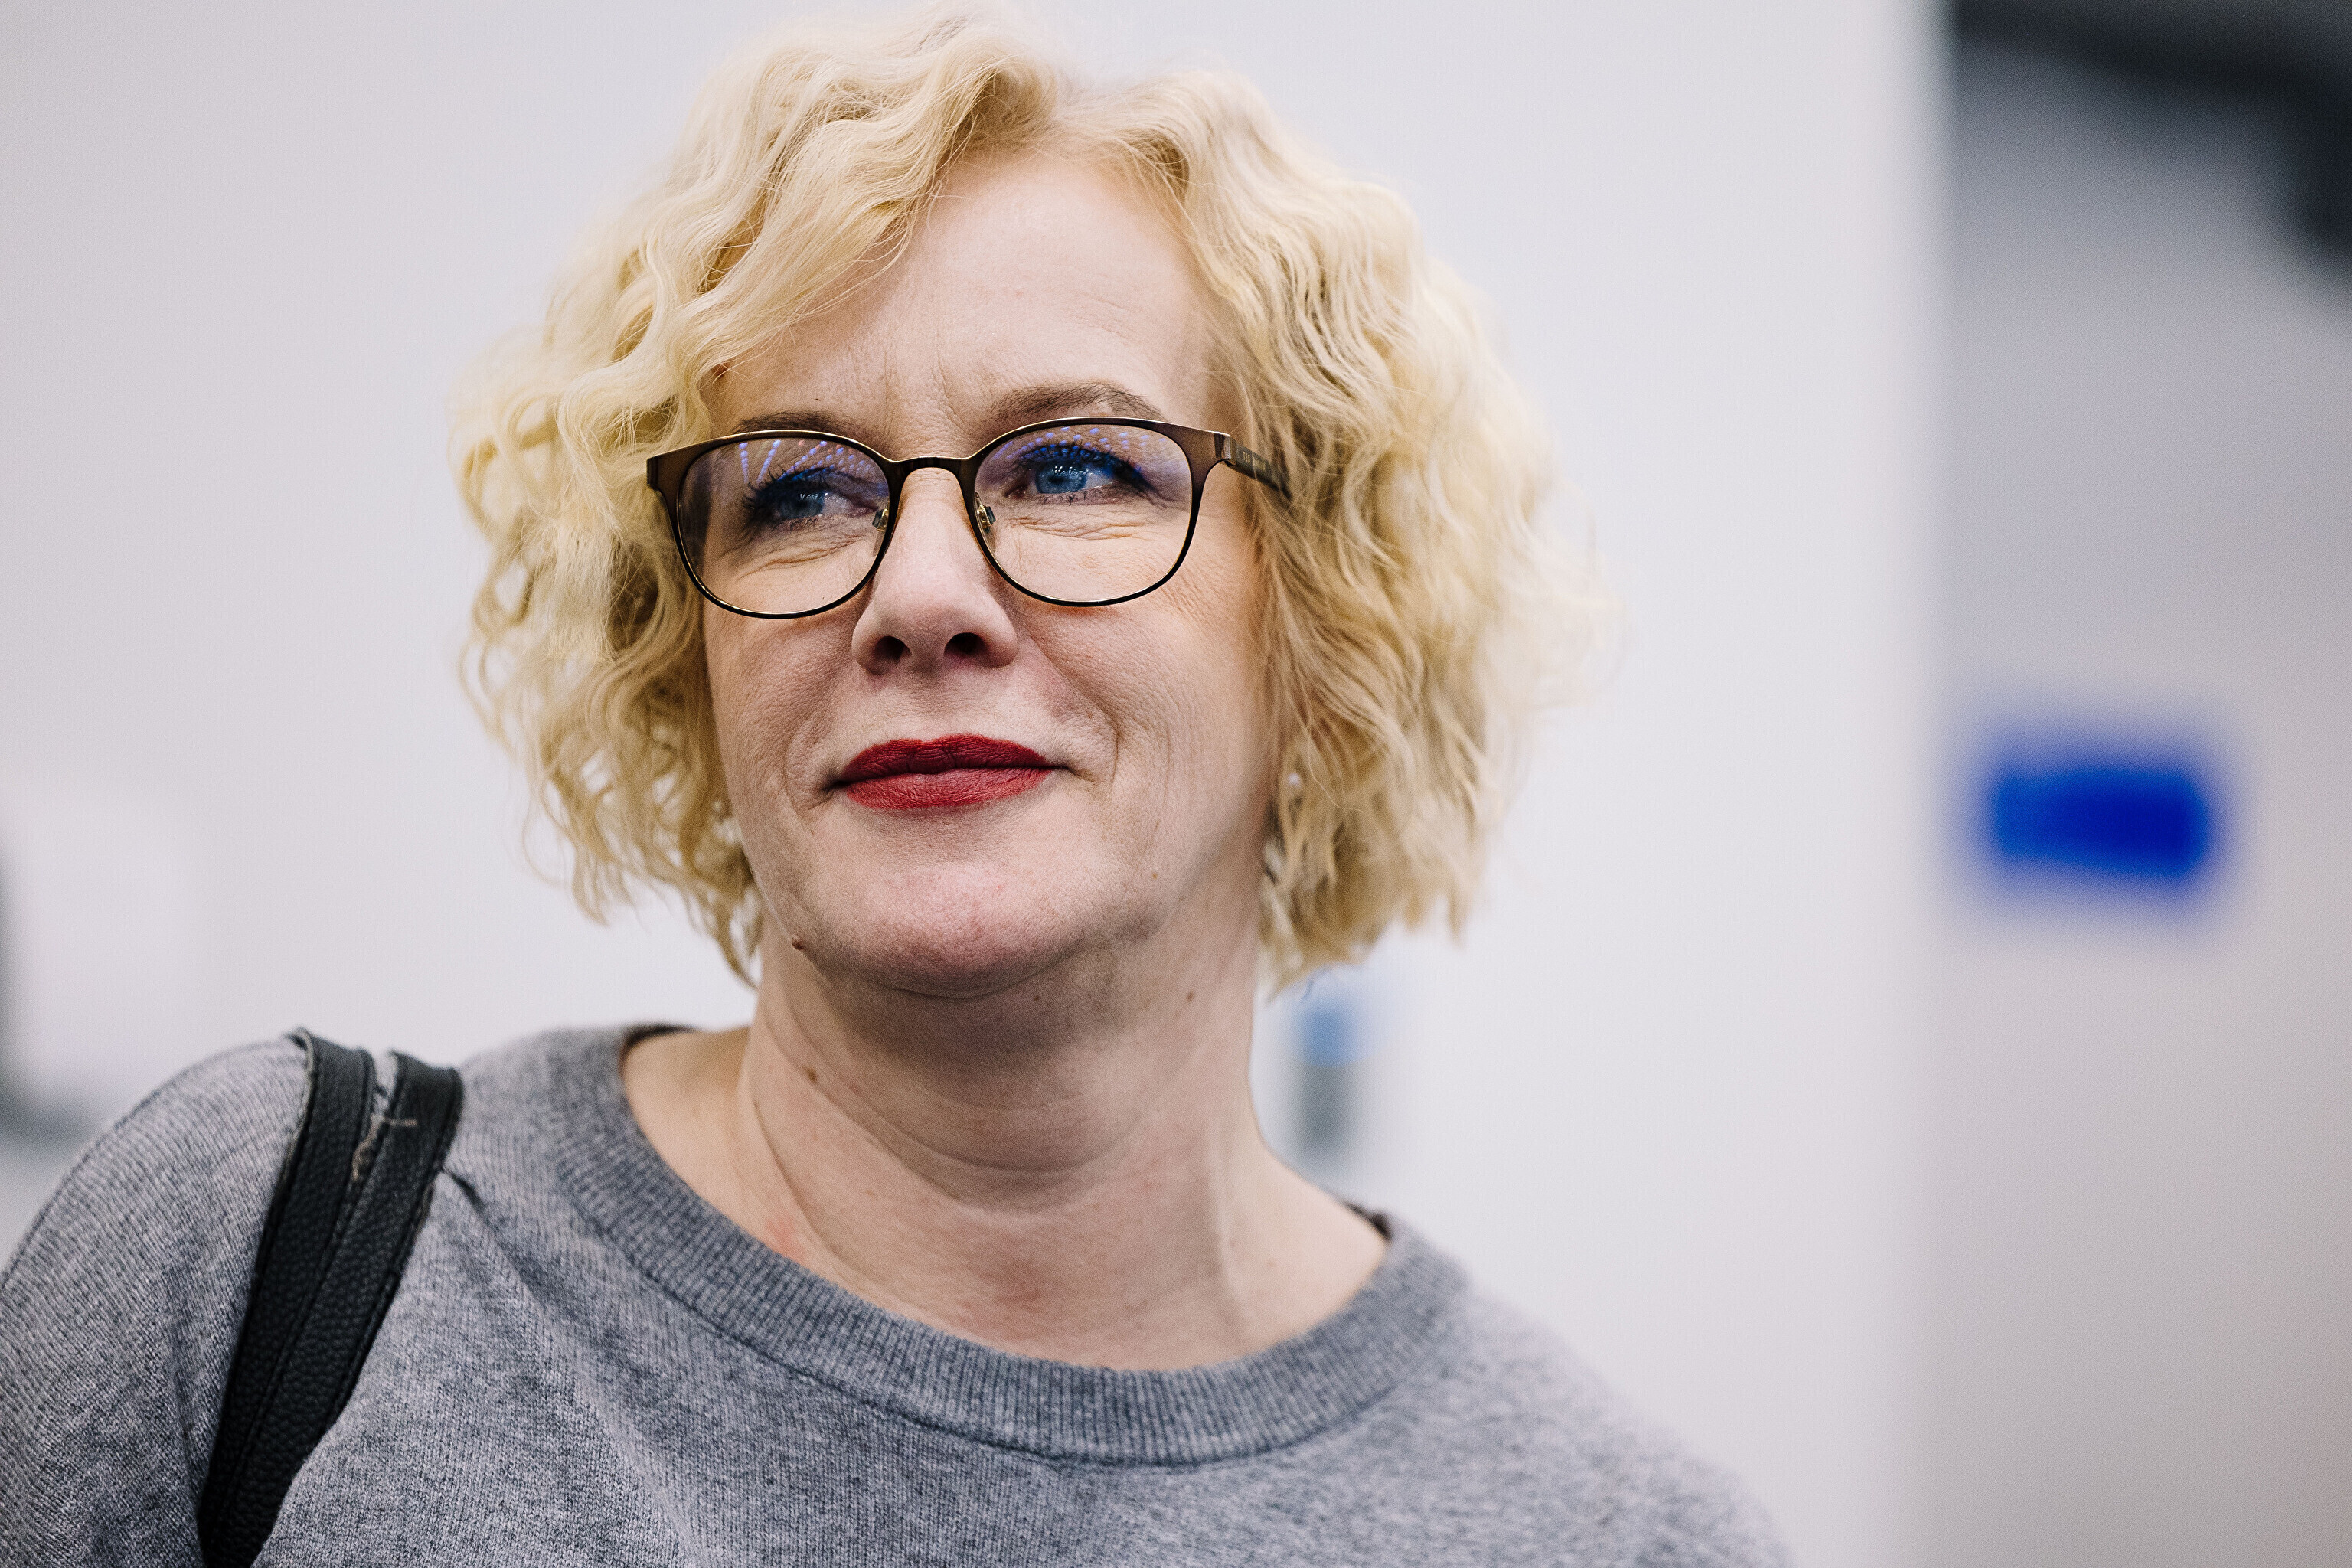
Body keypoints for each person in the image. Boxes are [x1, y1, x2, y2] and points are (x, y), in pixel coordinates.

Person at [1, 8, 1788, 1563]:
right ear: (683, 655)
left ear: (1326, 627)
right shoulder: (265, 1266)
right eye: (798, 491)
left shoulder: (1614, 1535)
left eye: (1077, 467)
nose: (921, 594)